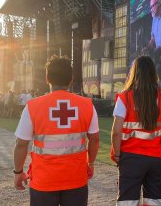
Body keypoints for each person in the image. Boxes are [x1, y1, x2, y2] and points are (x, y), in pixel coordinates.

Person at [13, 55, 100, 206]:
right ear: (71, 78)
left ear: (47, 78)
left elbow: (21, 143)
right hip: (76, 178)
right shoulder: (87, 105)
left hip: (43, 180)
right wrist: (90, 163)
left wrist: (18, 172)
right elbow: (94, 139)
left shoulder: (32, 106)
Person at [111, 56, 161, 205]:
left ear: (134, 73)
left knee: (127, 202)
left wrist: (117, 154)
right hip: (156, 159)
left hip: (130, 158)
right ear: (153, 73)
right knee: (154, 202)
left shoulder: (124, 96)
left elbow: (116, 132)